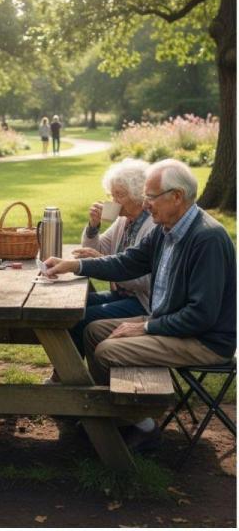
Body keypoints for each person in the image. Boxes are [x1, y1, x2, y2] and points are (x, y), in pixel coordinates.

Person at [44, 159, 235, 450]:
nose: (145, 204)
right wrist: (76, 264)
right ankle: (117, 418)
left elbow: (201, 316)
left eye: (150, 197)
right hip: (170, 322)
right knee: (93, 331)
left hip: (203, 340)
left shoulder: (206, 239)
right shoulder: (166, 228)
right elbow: (127, 262)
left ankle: (140, 426)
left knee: (107, 347)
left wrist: (146, 327)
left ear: (177, 197)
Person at [45, 159, 157, 384]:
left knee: (80, 317)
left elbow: (145, 280)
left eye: (120, 195)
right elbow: (94, 250)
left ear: (138, 195)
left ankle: (67, 377)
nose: (114, 201)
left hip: (143, 302)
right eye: (112, 194)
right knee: (72, 308)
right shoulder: (124, 221)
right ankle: (66, 374)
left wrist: (104, 263)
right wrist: (93, 226)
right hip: (122, 295)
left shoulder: (151, 226)